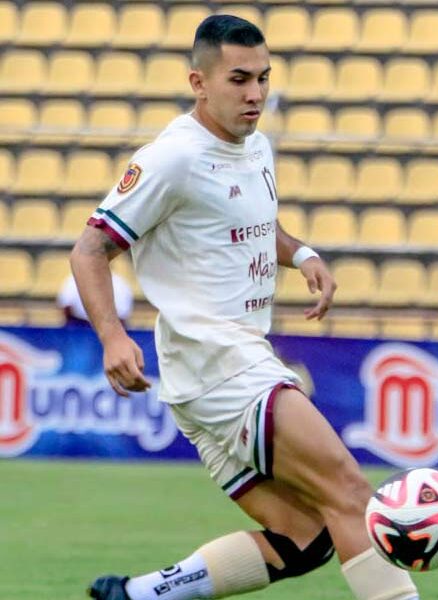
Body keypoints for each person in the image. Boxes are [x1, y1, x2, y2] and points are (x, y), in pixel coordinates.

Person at [73, 16, 419, 600]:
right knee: (350, 493)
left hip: (212, 373)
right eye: (239, 79)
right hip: (220, 364)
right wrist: (112, 336)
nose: (255, 93)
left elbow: (257, 224)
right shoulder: (172, 158)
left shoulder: (256, 145)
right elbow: (89, 250)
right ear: (199, 82)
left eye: (263, 78)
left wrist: (301, 253)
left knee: (305, 538)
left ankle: (139, 596)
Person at [58, 273, 133, 327]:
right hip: (79, 328)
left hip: (110, 329)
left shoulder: (119, 283)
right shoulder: (73, 280)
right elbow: (66, 309)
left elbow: (122, 317)